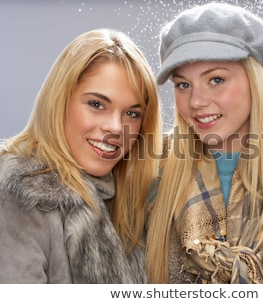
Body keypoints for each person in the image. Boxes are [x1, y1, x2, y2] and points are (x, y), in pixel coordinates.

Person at [145, 2, 263, 284]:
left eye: (216, 79)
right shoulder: (150, 170)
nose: (196, 102)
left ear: (255, 82)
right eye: (183, 85)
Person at [0, 28, 162, 283]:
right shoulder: (19, 195)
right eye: (97, 104)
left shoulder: (129, 199)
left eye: (132, 113)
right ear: (59, 100)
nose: (116, 128)